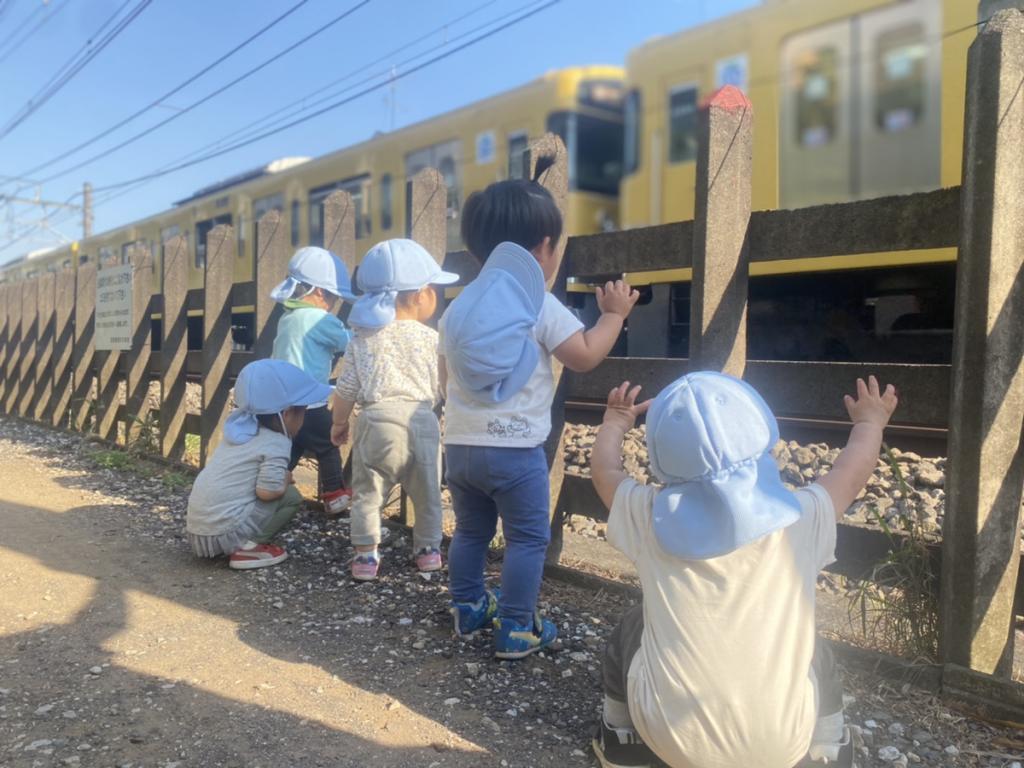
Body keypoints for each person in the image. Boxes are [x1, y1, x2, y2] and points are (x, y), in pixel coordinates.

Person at [589, 373, 898, 768]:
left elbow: (605, 473)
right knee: (809, 642)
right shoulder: (801, 517)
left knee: (634, 624)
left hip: (669, 740)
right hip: (782, 747)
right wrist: (870, 424)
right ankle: (828, 745)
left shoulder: (646, 516)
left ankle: (622, 738)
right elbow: (850, 473)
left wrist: (615, 422)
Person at [440, 178, 640, 659]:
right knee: (528, 538)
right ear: (545, 249)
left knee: (470, 531)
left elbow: (444, 376)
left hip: (462, 448)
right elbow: (584, 355)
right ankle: (515, 627)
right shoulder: (536, 303)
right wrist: (613, 314)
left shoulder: (459, 308)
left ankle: (467, 608)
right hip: (515, 452)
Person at [330, 238, 458, 581]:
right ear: (420, 295)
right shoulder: (432, 339)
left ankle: (365, 556)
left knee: (369, 494)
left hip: (377, 420)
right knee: (428, 492)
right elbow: (445, 387)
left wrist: (339, 423)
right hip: (422, 420)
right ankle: (428, 551)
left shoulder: (363, 339)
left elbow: (346, 389)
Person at [186, 359, 334, 570]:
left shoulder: (238, 431)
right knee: (292, 497)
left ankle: (239, 544)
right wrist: (283, 479)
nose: (304, 421)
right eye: (303, 413)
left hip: (199, 531)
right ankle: (248, 548)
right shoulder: (277, 443)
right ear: (287, 414)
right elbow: (267, 492)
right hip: (223, 532)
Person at [270, 246, 354, 515]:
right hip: (311, 402)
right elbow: (351, 344)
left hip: (283, 402)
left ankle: (272, 486)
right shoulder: (321, 319)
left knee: (290, 446)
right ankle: (334, 495)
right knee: (329, 445)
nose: (332, 303)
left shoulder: (287, 318)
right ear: (319, 292)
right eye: (331, 296)